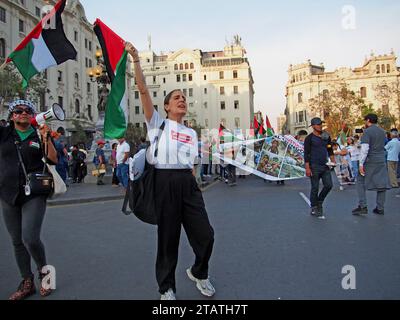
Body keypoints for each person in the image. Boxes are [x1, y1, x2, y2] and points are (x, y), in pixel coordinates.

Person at [126, 42, 215, 300]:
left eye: (184, 99)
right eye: (176, 98)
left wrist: (195, 181)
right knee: (168, 239)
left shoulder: (190, 132)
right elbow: (142, 89)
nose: (182, 101)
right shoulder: (157, 124)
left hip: (187, 184)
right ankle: (166, 288)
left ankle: (199, 272)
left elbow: (191, 162)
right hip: (164, 183)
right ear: (166, 106)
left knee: (206, 235)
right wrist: (136, 60)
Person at [0, 99, 58, 300]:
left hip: (34, 193)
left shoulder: (37, 133)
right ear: (12, 115)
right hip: (7, 193)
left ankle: (45, 273)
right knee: (17, 241)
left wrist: (46, 137)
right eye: (18, 110)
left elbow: (53, 159)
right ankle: (27, 281)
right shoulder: (4, 133)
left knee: (30, 238)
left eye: (27, 110)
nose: (23, 113)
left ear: (32, 115)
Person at [352, 114, 391, 216]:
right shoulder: (382, 132)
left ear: (368, 120)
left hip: (370, 160)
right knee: (382, 184)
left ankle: (363, 206)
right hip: (381, 159)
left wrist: (361, 164)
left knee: (360, 181)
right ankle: (380, 207)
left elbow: (365, 149)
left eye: (365, 121)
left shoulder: (367, 132)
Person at [304, 118, 335, 218]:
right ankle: (314, 207)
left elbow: (329, 149)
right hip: (314, 166)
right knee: (315, 188)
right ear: (313, 126)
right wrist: (307, 168)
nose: (320, 126)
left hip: (325, 165)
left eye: (321, 124)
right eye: (318, 124)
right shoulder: (309, 138)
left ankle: (319, 201)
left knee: (329, 185)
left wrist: (332, 160)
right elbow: (306, 154)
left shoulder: (326, 136)